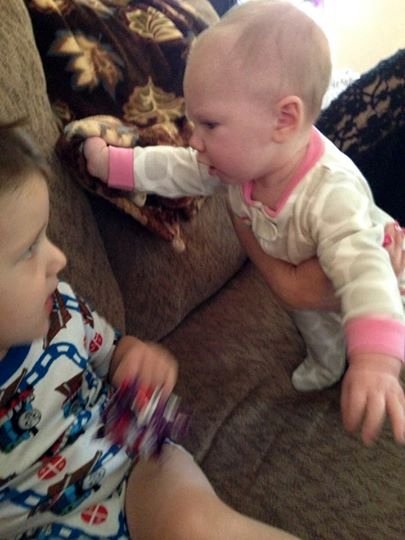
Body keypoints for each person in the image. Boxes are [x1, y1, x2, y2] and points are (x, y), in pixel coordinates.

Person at [83, 0, 405, 447]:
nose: (194, 139)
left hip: (384, 277)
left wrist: (376, 360)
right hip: (303, 279)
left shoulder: (332, 195)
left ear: (284, 119)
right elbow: (176, 167)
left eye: (209, 124)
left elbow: (367, 271)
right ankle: (327, 362)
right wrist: (116, 165)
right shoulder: (239, 162)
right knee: (312, 324)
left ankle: (361, 354)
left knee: (364, 310)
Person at [0, 123, 301, 539]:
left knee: (195, 525)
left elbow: (114, 351)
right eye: (30, 249)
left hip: (135, 468)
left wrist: (136, 358)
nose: (59, 259)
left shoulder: (60, 308)